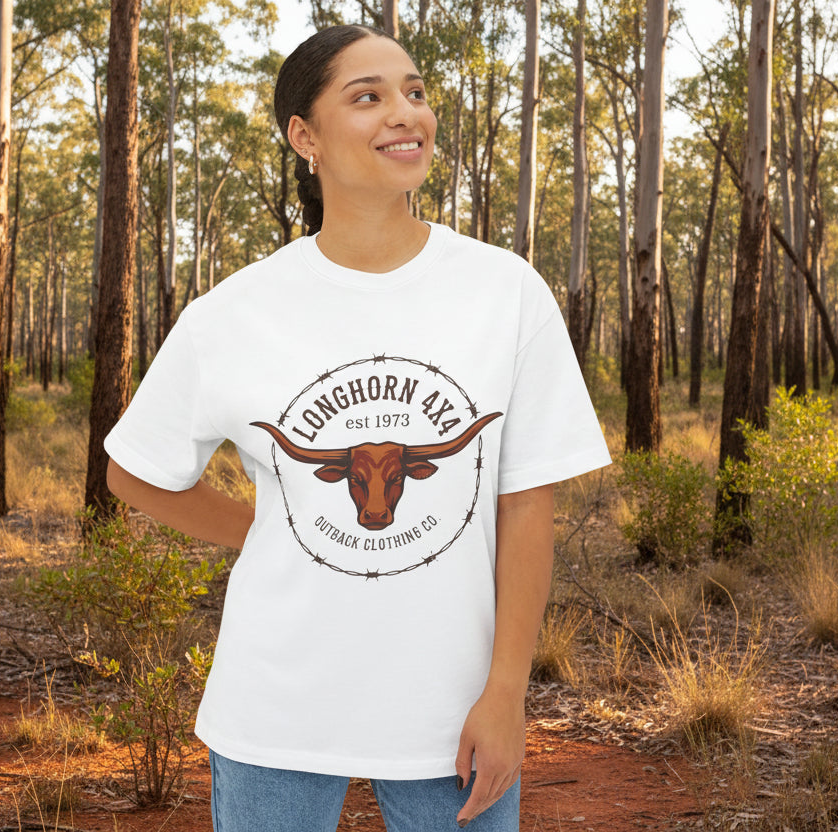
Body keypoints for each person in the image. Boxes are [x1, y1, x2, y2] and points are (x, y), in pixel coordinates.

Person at [103, 23, 610, 832]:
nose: (405, 112)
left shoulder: (504, 293)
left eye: (414, 92)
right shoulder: (235, 312)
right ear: (305, 137)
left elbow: (525, 504)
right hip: (276, 710)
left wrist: (507, 692)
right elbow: (133, 471)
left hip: (454, 714)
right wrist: (270, 530)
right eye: (367, 96)